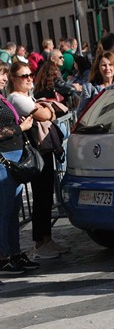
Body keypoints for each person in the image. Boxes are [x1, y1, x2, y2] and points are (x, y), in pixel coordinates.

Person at [7, 61, 69, 259]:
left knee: (46, 195)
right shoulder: (16, 98)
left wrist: (46, 111)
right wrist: (48, 110)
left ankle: (47, 239)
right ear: (13, 79)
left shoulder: (27, 96)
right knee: (41, 196)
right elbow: (44, 114)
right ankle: (40, 242)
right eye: (23, 76)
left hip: (43, 149)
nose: (28, 79)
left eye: (30, 74)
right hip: (35, 151)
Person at [0, 62, 39, 274]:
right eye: (1, 75)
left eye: (5, 75)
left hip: (14, 159)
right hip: (3, 160)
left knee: (13, 211)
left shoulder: (3, 99)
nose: (4, 79)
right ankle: (3, 257)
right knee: (4, 212)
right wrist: (19, 127)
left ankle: (14, 253)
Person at [76, 50, 114, 117]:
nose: (107, 68)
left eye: (110, 64)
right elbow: (81, 114)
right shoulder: (90, 88)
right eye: (104, 65)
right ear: (98, 68)